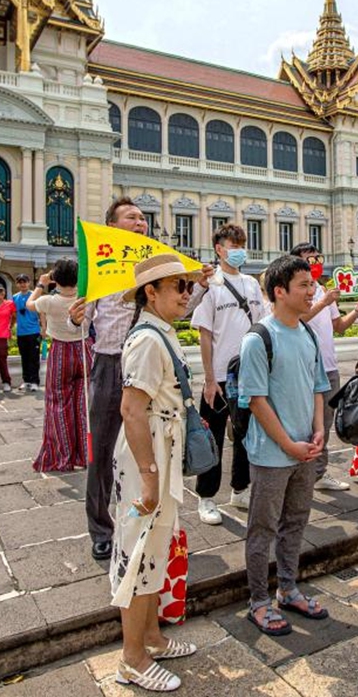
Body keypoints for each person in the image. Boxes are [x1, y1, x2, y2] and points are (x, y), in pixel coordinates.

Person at [70, 199, 214, 560]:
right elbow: (82, 319)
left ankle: (149, 516)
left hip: (151, 362)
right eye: (131, 217)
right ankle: (101, 527)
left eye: (141, 218)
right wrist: (74, 318)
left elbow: (178, 308)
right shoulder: (101, 268)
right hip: (111, 363)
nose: (140, 223)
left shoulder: (155, 266)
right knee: (102, 450)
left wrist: (199, 286)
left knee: (153, 445)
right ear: (113, 226)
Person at [110, 254, 200, 692]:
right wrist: (149, 475)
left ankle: (151, 638)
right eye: (179, 286)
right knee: (140, 552)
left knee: (154, 550)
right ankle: (132, 658)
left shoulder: (159, 333)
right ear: (152, 292)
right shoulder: (147, 340)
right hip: (148, 455)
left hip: (162, 449)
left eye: (189, 287)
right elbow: (131, 409)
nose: (187, 294)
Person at [239, 256, 331, 636]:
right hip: (273, 453)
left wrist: (319, 430)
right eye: (304, 285)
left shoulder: (307, 334)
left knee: (296, 522)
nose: (312, 292)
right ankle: (258, 601)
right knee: (263, 529)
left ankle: (288, 588)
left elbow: (317, 387)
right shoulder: (259, 338)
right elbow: (256, 401)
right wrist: (289, 445)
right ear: (280, 291)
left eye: (312, 285)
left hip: (305, 449)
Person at [191, 223, 267, 524]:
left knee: (246, 435)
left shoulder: (251, 283)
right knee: (212, 437)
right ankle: (207, 497)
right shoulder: (211, 284)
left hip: (248, 373)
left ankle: (240, 489)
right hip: (220, 376)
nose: (238, 249)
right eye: (232, 244)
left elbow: (261, 326)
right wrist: (209, 379)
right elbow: (205, 336)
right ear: (219, 249)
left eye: (241, 243)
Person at [295, 242, 358, 491]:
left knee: (324, 423)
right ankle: (300, 475)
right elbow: (295, 319)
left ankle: (319, 473)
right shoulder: (297, 290)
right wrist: (324, 302)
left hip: (328, 366)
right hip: (303, 367)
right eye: (310, 259)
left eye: (318, 258)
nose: (315, 263)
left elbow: (338, 326)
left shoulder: (324, 289)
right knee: (302, 424)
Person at [31, 260, 90, 473]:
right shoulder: (86, 299)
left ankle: (62, 456)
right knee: (84, 405)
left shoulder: (48, 301)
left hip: (60, 352)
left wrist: (41, 283)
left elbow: (28, 304)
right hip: (84, 351)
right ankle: (86, 454)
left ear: (55, 278)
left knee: (58, 404)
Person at [11, 274, 43, 392]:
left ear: (29, 283)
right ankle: (26, 380)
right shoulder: (15, 297)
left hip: (33, 331)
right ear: (17, 284)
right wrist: (10, 327)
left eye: (24, 282)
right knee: (24, 358)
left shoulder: (34, 296)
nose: (22, 284)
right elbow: (13, 314)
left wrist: (44, 329)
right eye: (20, 282)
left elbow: (41, 313)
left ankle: (35, 381)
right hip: (21, 332)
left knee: (34, 358)